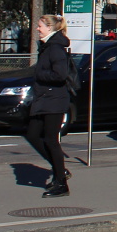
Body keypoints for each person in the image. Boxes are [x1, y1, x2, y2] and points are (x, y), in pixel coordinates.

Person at [26, 14, 72, 197]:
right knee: (32, 134)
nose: (37, 29)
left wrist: (39, 74)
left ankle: (61, 183)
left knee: (51, 140)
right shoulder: (47, 47)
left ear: (50, 28)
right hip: (44, 98)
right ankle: (60, 170)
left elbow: (60, 75)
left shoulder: (55, 48)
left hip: (54, 100)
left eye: (40, 26)